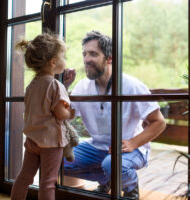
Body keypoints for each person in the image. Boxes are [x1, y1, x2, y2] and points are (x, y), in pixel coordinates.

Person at [63, 31, 166, 199]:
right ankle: (109, 179)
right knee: (57, 159)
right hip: (97, 147)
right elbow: (67, 116)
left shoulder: (132, 85)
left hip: (131, 149)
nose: (86, 59)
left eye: (93, 54)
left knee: (112, 164)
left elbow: (159, 122)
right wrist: (64, 88)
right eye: (85, 54)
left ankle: (131, 189)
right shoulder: (82, 87)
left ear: (109, 58)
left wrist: (133, 143)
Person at [11, 33, 75, 200]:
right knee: (47, 183)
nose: (65, 60)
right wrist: (71, 113)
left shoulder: (32, 85)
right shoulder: (55, 85)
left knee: (24, 178)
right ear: (53, 62)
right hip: (51, 143)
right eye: (63, 56)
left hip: (32, 141)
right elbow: (60, 114)